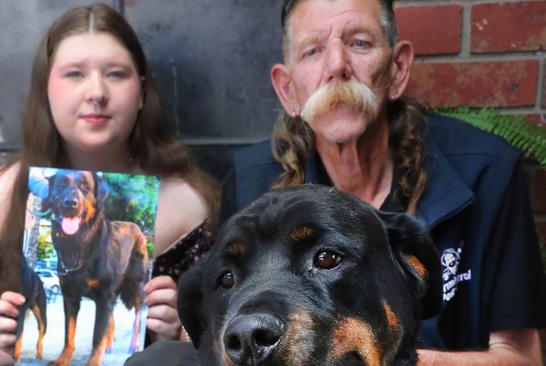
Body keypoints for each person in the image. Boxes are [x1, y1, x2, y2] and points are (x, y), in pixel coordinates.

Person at [220, 0, 546, 365]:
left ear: (398, 68)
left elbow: (522, 358)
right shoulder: (250, 183)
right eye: (313, 50)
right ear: (287, 90)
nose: (337, 65)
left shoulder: (488, 173)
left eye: (359, 43)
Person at [0, 3, 218, 365]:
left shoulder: (188, 204)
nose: (96, 91)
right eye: (74, 74)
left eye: (115, 74)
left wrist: (176, 329)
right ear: (45, 89)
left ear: (141, 92)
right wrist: (6, 340)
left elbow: (220, 330)